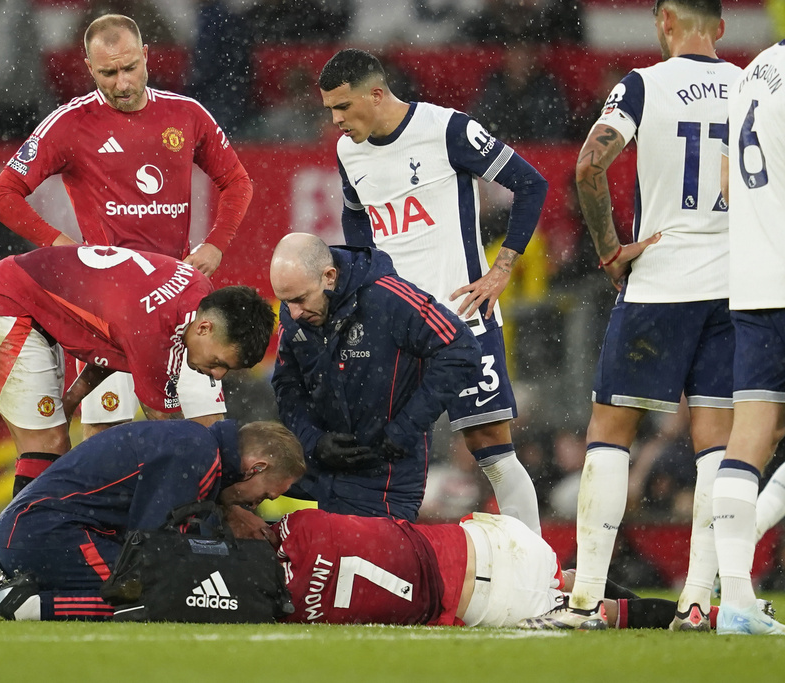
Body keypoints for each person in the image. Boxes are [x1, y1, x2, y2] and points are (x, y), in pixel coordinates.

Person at [522, 0, 739, 631]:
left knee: (610, 432)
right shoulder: (750, 85)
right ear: (720, 28)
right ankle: (699, 603)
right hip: (733, 287)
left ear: (664, 24)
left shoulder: (643, 85)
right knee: (719, 445)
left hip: (661, 283)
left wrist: (609, 250)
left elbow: (589, 164)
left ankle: (586, 598)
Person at [0, 14, 253, 440]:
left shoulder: (186, 114)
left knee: (207, 440)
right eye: (108, 73)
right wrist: (63, 247)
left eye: (130, 68)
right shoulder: (69, 124)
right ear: (89, 68)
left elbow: (237, 181)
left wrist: (217, 244)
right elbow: (1, 196)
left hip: (179, 310)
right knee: (106, 450)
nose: (123, 83)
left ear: (146, 56)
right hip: (108, 317)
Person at [317, 48, 546, 535]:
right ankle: (378, 557)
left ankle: (539, 574)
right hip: (394, 329)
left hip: (461, 317)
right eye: (330, 110)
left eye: (342, 107)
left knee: (492, 448)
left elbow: (531, 183)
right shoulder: (348, 153)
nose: (335, 120)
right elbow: (356, 218)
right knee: (377, 448)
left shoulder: (448, 130)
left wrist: (503, 267)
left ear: (376, 94)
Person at [0, 244, 275, 495]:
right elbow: (174, 434)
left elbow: (112, 346)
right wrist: (219, 490)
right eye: (218, 363)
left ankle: (36, 557)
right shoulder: (153, 333)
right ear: (205, 328)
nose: (216, 375)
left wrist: (70, 401)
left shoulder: (197, 291)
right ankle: (22, 562)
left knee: (56, 448)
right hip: (2, 304)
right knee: (46, 445)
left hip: (25, 298)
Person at [0, 419, 306, 621]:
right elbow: (156, 549)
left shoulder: (194, 443)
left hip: (35, 529)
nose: (260, 504)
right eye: (264, 495)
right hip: (49, 530)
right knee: (159, 597)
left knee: (161, 588)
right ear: (256, 468)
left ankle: (26, 590)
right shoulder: (199, 455)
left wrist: (225, 511)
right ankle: (27, 606)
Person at [270, 233, 481, 522]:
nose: (292, 313)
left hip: (385, 483)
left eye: (299, 300)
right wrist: (313, 441)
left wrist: (406, 428)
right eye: (285, 302)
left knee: (366, 566)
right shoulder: (296, 311)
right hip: (314, 476)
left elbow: (462, 348)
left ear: (329, 277)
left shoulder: (390, 298)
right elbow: (286, 385)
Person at [275, 507, 710, 630]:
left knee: (585, 610)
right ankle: (695, 614)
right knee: (575, 588)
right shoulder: (309, 527)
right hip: (509, 540)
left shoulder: (304, 534)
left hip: (496, 599)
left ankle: (696, 617)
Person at [711, 37, 785, 635]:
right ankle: (739, 550)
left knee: (754, 430)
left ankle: (734, 593)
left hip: (756, 279)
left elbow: (729, 185)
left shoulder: (752, 73)